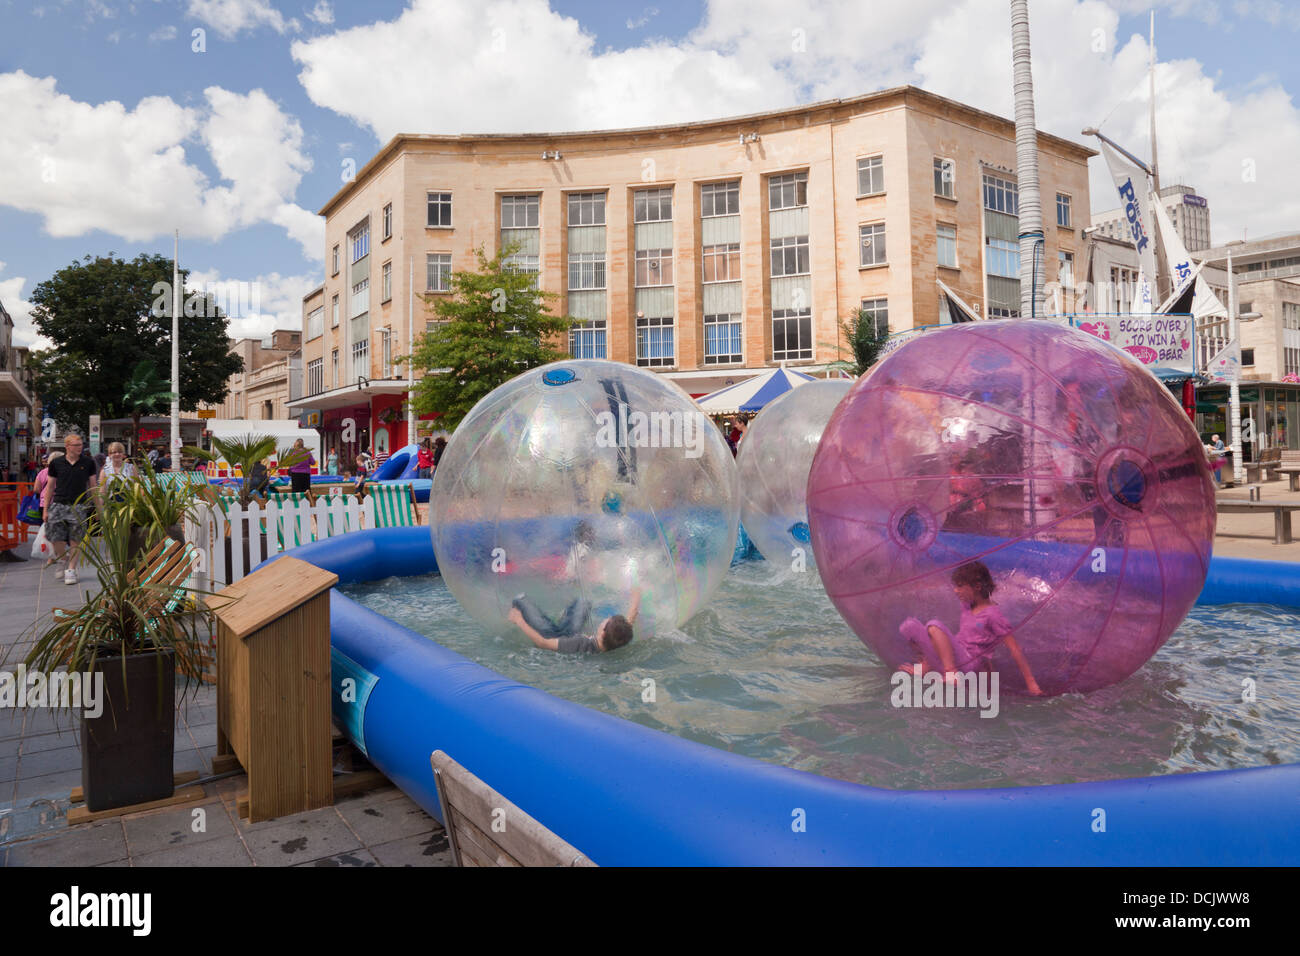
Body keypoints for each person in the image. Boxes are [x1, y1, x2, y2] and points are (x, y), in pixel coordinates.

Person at [897, 561, 1043, 695]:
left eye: (960, 586)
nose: (955, 591)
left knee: (934, 625)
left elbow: (1015, 649)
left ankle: (951, 673)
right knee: (909, 627)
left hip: (969, 663)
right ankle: (927, 666)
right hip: (958, 654)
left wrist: (1031, 684)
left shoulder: (993, 615)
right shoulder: (967, 606)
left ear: (977, 587)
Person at [507, 589, 640, 654]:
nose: (605, 619)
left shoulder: (580, 644)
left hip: (551, 638)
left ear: (603, 633)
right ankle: (563, 621)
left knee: (520, 601)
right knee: (584, 602)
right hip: (572, 634)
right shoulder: (618, 641)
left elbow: (543, 643)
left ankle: (559, 623)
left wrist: (519, 620)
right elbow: (630, 621)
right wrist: (636, 596)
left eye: (606, 621)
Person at [45, 434, 98, 585]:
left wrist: (97, 509)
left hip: (79, 506)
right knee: (55, 538)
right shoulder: (56, 463)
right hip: (59, 504)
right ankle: (63, 558)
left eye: (81, 445)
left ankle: (71, 570)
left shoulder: (88, 463)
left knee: (76, 539)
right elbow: (49, 487)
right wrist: (45, 510)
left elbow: (93, 486)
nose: (79, 448)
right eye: (76, 445)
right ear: (67, 446)